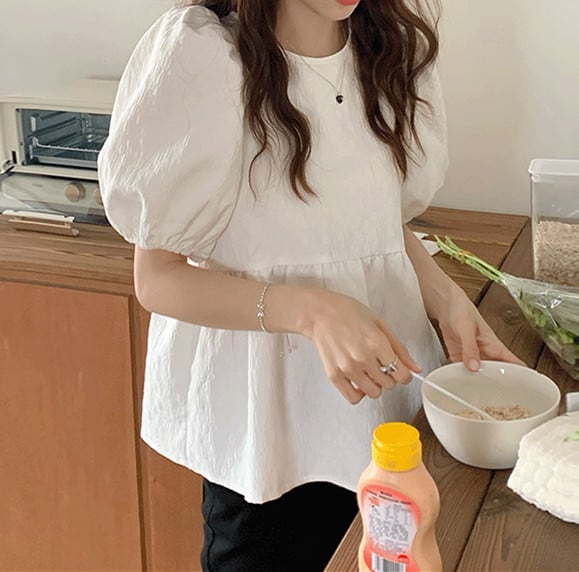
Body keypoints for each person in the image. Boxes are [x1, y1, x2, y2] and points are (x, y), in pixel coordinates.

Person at [98, 1, 524, 570]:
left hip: (390, 417)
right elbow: (157, 279)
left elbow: (374, 221)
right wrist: (311, 312)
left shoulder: (390, 47)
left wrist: (447, 300)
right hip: (271, 445)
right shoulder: (206, 58)